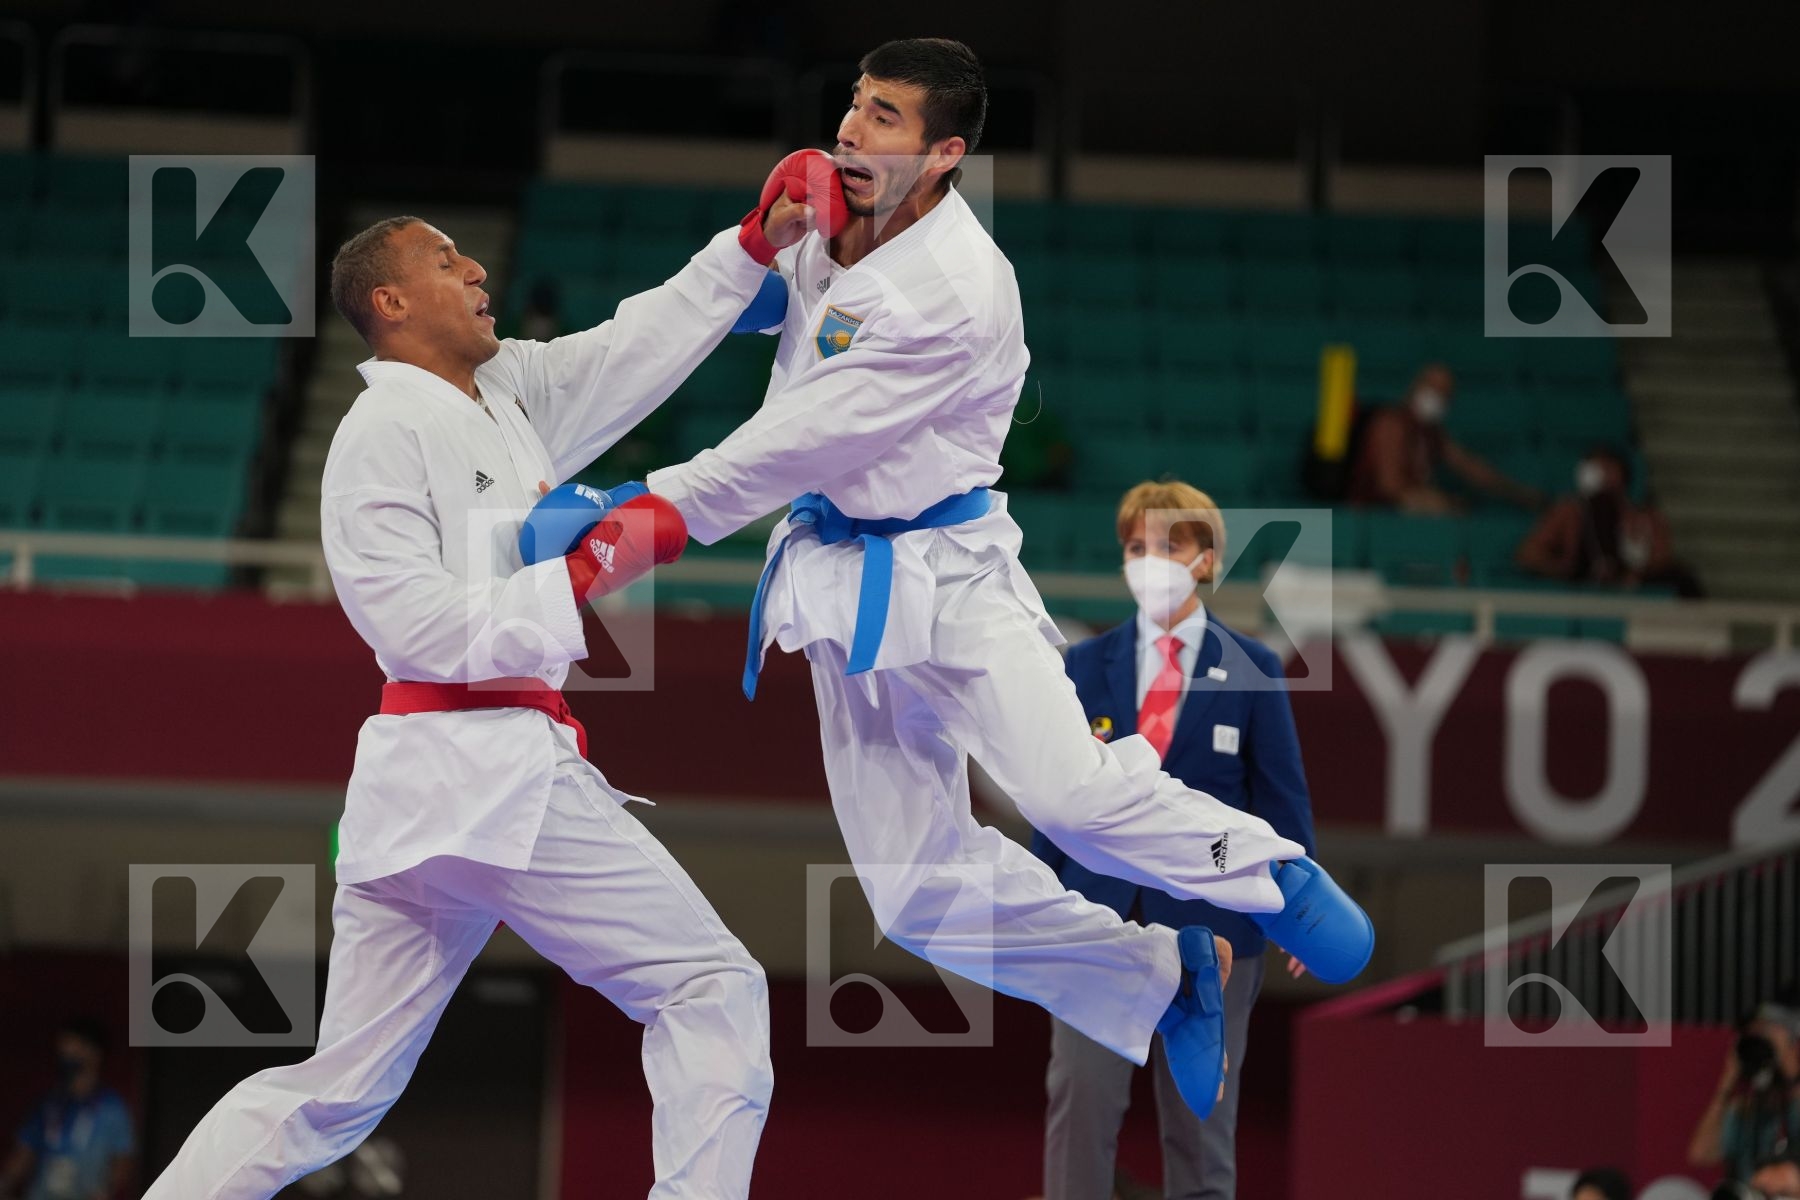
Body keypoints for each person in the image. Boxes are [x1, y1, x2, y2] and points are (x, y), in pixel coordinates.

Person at [533, 37, 1374, 1118]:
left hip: (951, 572)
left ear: (944, 153)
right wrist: (755, 248)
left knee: (1068, 795)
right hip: (839, 578)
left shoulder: (957, 292)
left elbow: (800, 437)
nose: (850, 127)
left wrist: (648, 509)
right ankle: (1161, 978)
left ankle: (1270, 873)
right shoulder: (832, 211)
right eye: (853, 102)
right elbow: (732, 322)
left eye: (883, 114)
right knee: (916, 896)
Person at [140, 152, 831, 1200]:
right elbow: (410, 624)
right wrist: (582, 573)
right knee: (709, 984)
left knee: (339, 1092)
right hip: (480, 760)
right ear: (390, 300)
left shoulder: (504, 395)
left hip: (434, 796)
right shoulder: (378, 432)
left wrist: (749, 246)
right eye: (444, 258)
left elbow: (628, 349)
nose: (476, 272)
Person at [1030, 481, 1318, 1200]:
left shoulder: (1254, 668)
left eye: (1170, 544)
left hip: (1214, 927)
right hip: (1099, 924)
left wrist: (1301, 913)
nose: (1150, 559)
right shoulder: (1082, 667)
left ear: (1206, 558)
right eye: (1136, 547)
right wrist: (1033, 895)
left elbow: (1281, 801)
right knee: (1081, 1106)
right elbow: (1053, 797)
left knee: (1202, 1121)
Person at [1349, 363, 1542, 512]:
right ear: (1416, 386)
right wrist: (1441, 502)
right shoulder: (1391, 423)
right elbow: (1390, 487)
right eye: (1433, 389)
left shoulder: (1434, 436)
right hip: (1372, 515)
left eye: (1444, 394)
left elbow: (1475, 470)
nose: (1438, 398)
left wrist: (1521, 495)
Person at [1516, 445, 1702, 596]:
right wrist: (1565, 570)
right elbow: (1529, 554)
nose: (1599, 474)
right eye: (1593, 468)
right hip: (1584, 589)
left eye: (1606, 468)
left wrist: (1633, 575)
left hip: (1635, 592)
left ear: (1621, 473)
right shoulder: (1570, 512)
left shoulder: (1646, 516)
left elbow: (1663, 558)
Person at [0, 1019, 135, 1200]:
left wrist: (105, 1191)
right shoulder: (48, 1104)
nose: (65, 1054)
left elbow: (122, 1162)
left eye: (73, 1047)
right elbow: (24, 1153)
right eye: (63, 1047)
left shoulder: (112, 1108)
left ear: (94, 1052)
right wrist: (4, 1183)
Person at [1690, 998, 1800, 1183]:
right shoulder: (1744, 1111)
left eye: (1766, 1037)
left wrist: (1791, 1071)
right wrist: (1727, 1083)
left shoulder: (1793, 1105)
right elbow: (1701, 1154)